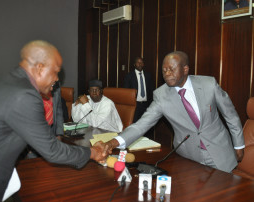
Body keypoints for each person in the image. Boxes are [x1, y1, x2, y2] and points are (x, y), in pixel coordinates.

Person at [0, 40, 106, 202]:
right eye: (55, 72)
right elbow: (52, 151)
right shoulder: (25, 94)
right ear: (40, 67)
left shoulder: (4, 83)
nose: (57, 79)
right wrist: (91, 153)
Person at [103, 51, 245, 173]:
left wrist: (238, 145)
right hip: (189, 158)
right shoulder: (161, 95)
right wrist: (112, 143)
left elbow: (231, 115)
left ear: (185, 69)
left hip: (220, 152)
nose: (167, 74)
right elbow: (141, 125)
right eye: (164, 70)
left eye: (171, 69)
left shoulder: (209, 84)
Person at [124, 57, 154, 122]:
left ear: (143, 64)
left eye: (141, 62)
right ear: (134, 64)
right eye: (138, 62)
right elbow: (126, 92)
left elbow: (151, 90)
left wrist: (151, 104)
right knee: (135, 124)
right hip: (135, 106)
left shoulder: (148, 75)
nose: (140, 64)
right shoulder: (129, 76)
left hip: (146, 105)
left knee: (146, 125)